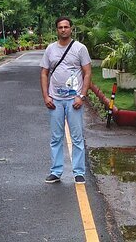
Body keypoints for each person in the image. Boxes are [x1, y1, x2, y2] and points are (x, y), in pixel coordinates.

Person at [39, 17, 92, 184]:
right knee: (56, 137)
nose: (63, 30)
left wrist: (81, 96)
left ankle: (78, 172)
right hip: (55, 100)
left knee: (77, 137)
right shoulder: (50, 49)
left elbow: (87, 72)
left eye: (66, 27)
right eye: (60, 27)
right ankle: (56, 171)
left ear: (71, 29)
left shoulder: (80, 48)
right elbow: (44, 73)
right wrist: (46, 96)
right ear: (57, 30)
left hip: (73, 100)